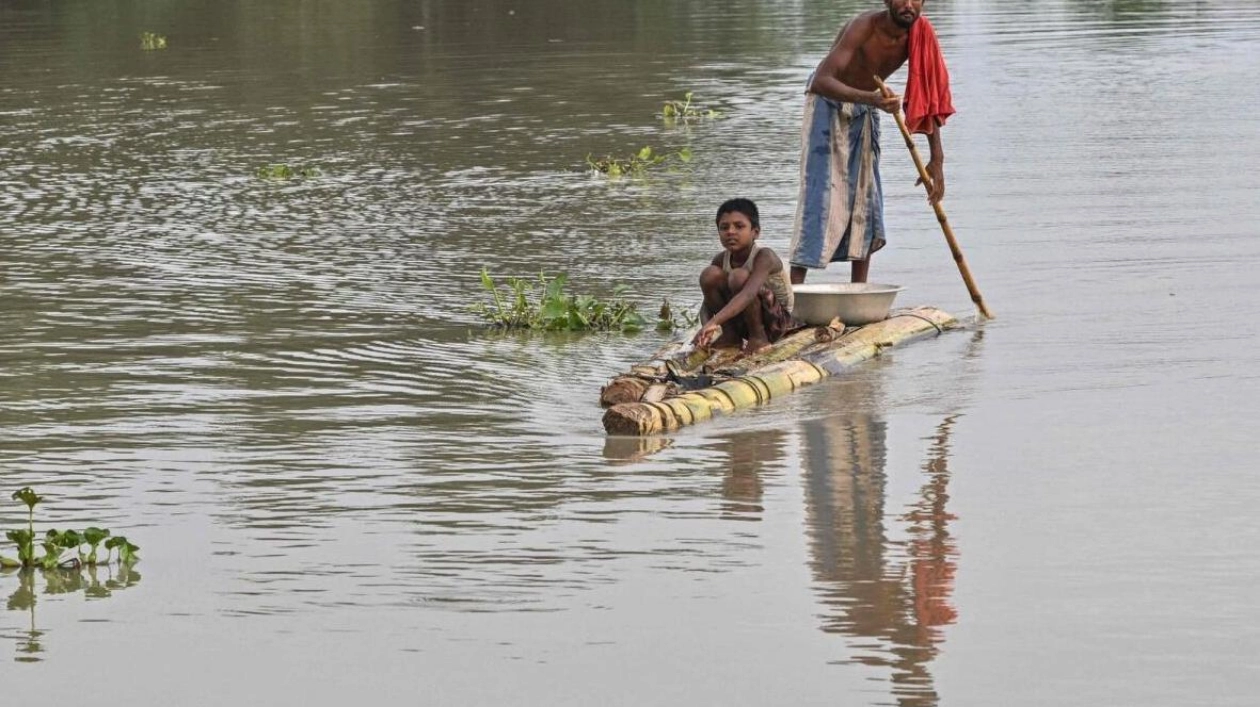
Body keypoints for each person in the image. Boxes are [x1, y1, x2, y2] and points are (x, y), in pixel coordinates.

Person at [788, 0, 953, 285]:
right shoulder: (863, 26)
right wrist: (872, 99)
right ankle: (792, 296)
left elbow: (928, 96)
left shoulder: (920, 33)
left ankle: (859, 292)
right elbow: (820, 81)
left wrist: (936, 158)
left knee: (866, 195)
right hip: (828, 104)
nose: (908, 5)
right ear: (887, 1)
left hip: (865, 107)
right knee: (820, 194)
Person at [693, 198, 797, 354]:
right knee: (709, 274)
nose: (731, 232)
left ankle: (758, 338)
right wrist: (706, 329)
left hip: (777, 324)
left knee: (738, 276)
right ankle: (731, 336)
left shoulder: (765, 256)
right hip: (743, 320)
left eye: (739, 226)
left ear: (755, 232)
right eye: (724, 227)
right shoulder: (721, 260)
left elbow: (748, 294)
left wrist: (715, 321)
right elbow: (707, 304)